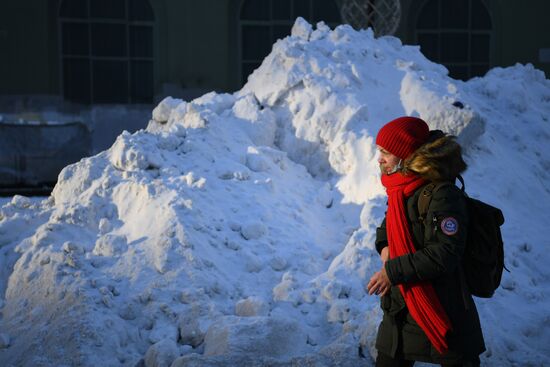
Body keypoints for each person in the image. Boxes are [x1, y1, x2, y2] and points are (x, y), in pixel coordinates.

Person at [366, 116, 485, 367]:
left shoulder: (442, 195)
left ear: (406, 155)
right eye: (379, 151)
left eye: (386, 152)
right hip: (401, 308)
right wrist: (385, 247)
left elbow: (444, 253)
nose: (380, 159)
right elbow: (386, 228)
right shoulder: (400, 189)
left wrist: (392, 272)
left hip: (441, 307)